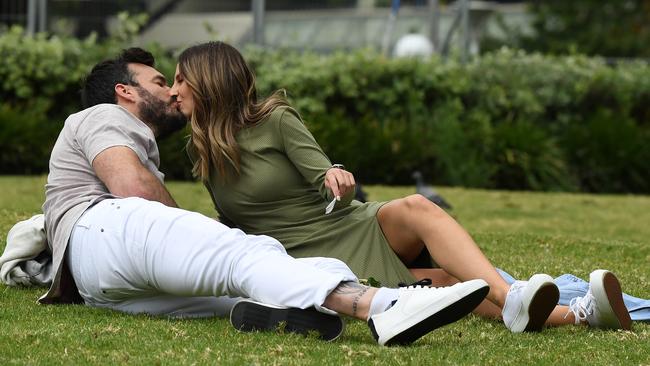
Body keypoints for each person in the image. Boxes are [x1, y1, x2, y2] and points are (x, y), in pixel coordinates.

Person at [40, 47, 492, 346]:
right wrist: (206, 237)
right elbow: (134, 193)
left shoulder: (154, 142)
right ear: (125, 91)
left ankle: (290, 307)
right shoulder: (102, 115)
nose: (172, 91)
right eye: (160, 82)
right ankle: (382, 306)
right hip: (101, 237)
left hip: (101, 286)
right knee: (240, 256)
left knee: (230, 291)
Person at [170, 41, 633, 333]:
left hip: (350, 228)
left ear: (208, 80)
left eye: (179, 79)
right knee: (454, 287)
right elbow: (233, 224)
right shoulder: (202, 153)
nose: (173, 90)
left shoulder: (275, 119)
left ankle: (513, 298)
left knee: (416, 205)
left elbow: (326, 178)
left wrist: (338, 180)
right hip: (299, 260)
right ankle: (578, 314)